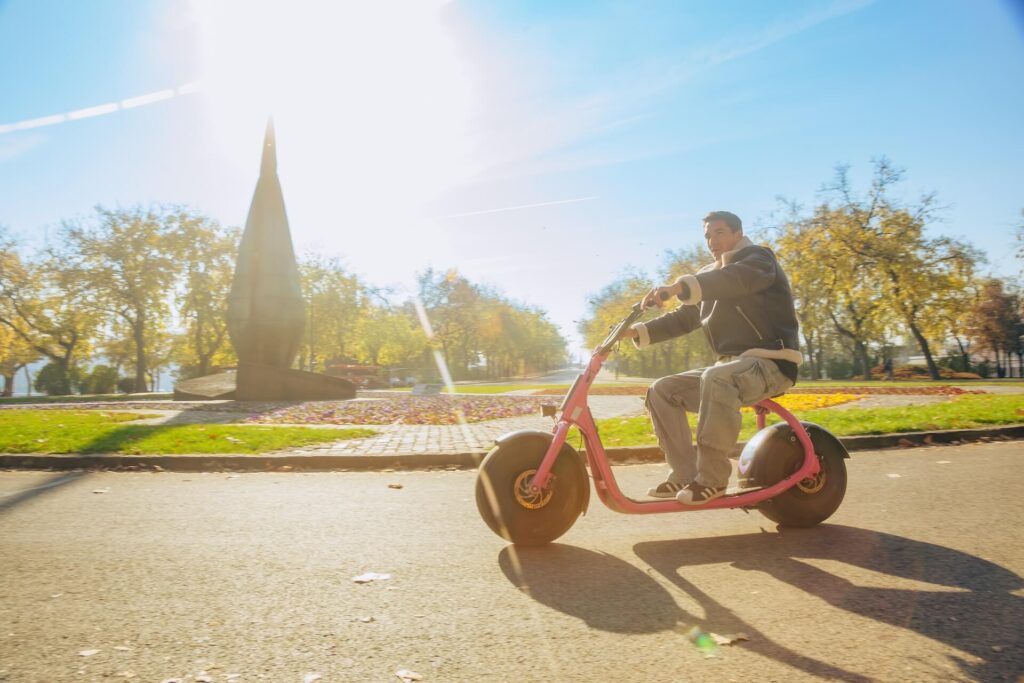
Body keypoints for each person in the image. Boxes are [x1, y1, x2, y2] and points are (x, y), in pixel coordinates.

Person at [629, 211, 802, 505]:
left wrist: (678, 287)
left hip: (772, 362)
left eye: (719, 233)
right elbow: (683, 318)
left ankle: (711, 480)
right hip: (734, 369)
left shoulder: (759, 260)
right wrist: (636, 331)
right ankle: (684, 474)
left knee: (716, 377)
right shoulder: (712, 275)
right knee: (662, 390)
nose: (712, 241)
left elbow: (734, 280)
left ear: (737, 233)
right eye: (708, 236)